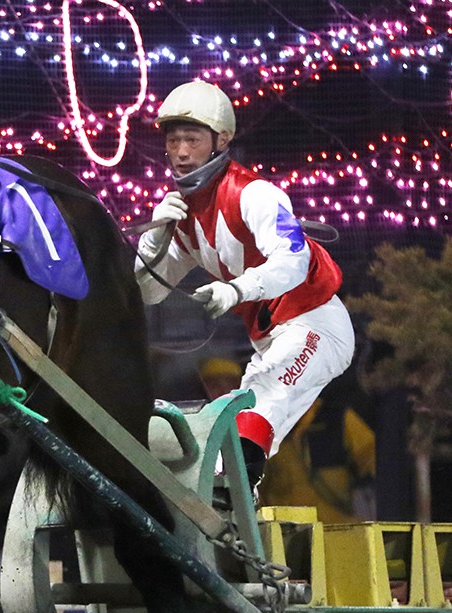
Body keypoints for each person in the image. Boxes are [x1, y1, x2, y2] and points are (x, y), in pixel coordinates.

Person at [135, 80, 355, 491]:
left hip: (316, 325)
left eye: (193, 140)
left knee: (256, 399)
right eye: (174, 140)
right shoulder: (182, 214)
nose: (181, 152)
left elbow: (295, 259)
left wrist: (236, 290)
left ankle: (227, 500)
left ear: (221, 140)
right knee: (239, 417)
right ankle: (232, 502)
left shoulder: (255, 194)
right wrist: (153, 236)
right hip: (271, 338)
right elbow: (148, 292)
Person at [259, 381, 376, 523]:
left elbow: (376, 468)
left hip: (338, 534)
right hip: (287, 539)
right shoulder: (265, 432)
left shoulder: (336, 419)